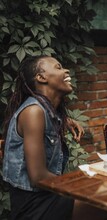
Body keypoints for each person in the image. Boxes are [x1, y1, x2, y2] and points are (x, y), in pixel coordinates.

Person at [2, 56, 75, 219]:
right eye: (58, 67)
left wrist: (65, 121)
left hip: (46, 197)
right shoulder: (34, 112)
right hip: (33, 206)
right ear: (41, 77)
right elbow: (38, 177)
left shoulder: (45, 112)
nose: (66, 70)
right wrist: (78, 184)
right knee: (106, 207)